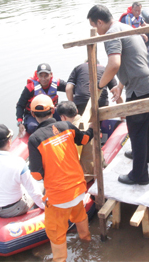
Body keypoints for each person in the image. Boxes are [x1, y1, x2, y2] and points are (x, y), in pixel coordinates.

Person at [87, 5, 149, 185]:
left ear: (100, 22)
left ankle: (139, 175)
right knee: (147, 126)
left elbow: (114, 64)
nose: (96, 31)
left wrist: (99, 85)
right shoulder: (125, 27)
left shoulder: (111, 35)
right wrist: (120, 86)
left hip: (140, 88)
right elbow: (133, 59)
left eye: (95, 26)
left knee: (137, 131)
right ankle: (143, 157)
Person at [28, 95, 93, 262]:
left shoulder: (35, 139)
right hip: (78, 190)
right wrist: (92, 129)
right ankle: (86, 242)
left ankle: (60, 259)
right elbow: (85, 139)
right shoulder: (67, 126)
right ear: (53, 110)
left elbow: (36, 175)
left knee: (56, 234)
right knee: (80, 216)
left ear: (33, 115)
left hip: (58, 199)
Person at [16, 63, 67, 135]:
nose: (43, 79)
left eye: (46, 75)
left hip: (50, 112)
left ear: (51, 74)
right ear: (37, 75)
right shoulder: (30, 88)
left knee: (65, 117)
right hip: (34, 114)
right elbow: (20, 105)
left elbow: (70, 87)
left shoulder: (56, 83)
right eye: (41, 76)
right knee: (32, 127)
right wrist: (20, 122)